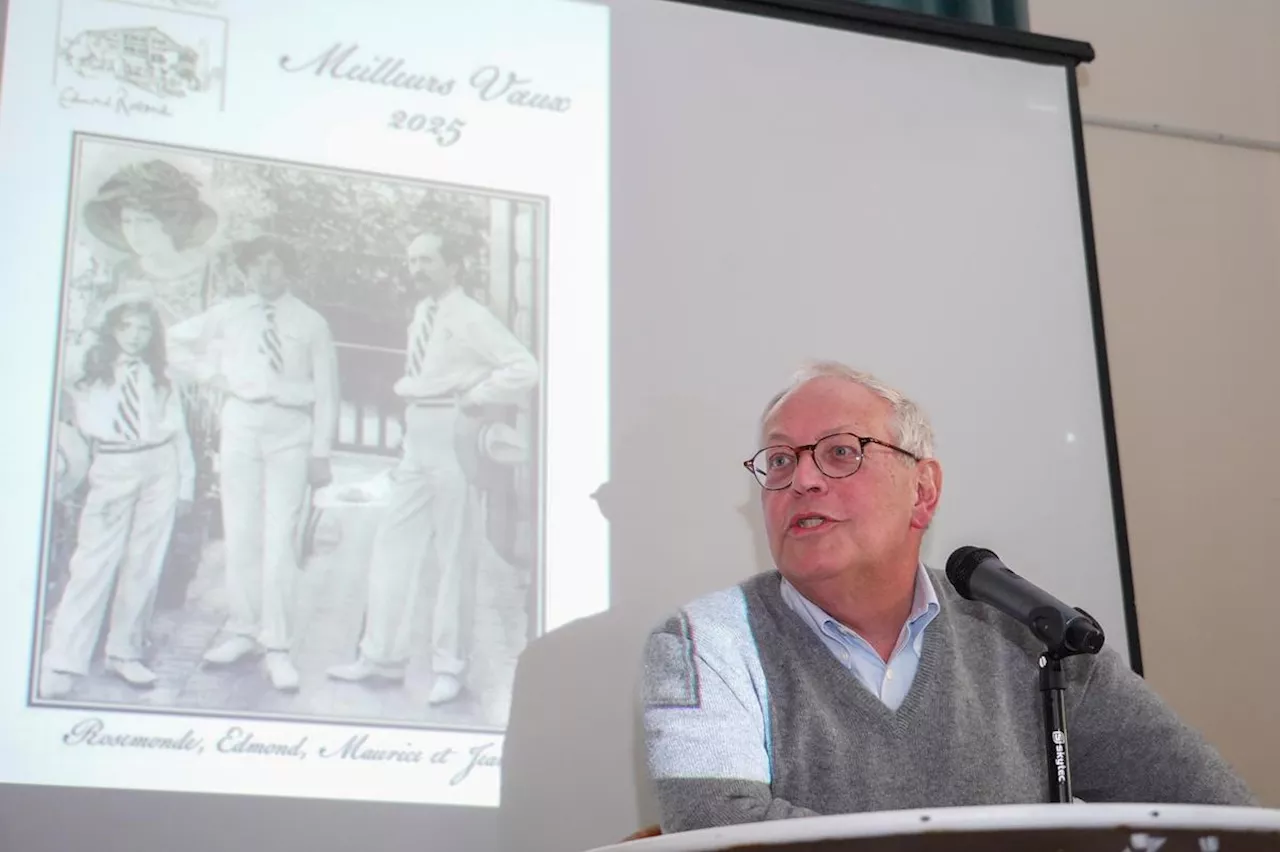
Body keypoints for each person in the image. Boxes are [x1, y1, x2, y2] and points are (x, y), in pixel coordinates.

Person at [639, 360, 1256, 834]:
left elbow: (1218, 815)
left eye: (839, 453)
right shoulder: (704, 643)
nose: (801, 479)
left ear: (923, 492)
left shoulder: (1030, 635)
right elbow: (721, 834)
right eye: (778, 460)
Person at [326, 227, 538, 706]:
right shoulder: (424, 312)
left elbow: (523, 366)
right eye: (413, 260)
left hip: (453, 432)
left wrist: (478, 396)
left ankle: (451, 666)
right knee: (392, 545)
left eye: (427, 260)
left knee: (454, 556)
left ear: (453, 266)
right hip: (418, 436)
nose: (417, 269)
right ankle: (380, 654)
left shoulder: (470, 315)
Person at [166, 235, 339, 691]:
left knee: (281, 537)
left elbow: (328, 391)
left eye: (275, 264)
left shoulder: (311, 322)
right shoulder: (228, 313)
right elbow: (174, 341)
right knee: (240, 531)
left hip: (290, 429)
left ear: (288, 270)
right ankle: (243, 631)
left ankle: (277, 644)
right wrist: (214, 375)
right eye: (258, 264)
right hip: (241, 421)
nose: (266, 272)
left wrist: (321, 451)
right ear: (247, 271)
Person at [40, 295, 194, 698]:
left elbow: (177, 429)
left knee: (144, 563)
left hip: (159, 465)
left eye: (144, 328)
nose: (135, 336)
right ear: (111, 328)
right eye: (126, 326)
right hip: (112, 464)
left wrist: (187, 484)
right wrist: (93, 330)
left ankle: (124, 652)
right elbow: (47, 356)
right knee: (93, 561)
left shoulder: (159, 373)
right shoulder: (88, 367)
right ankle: (64, 659)